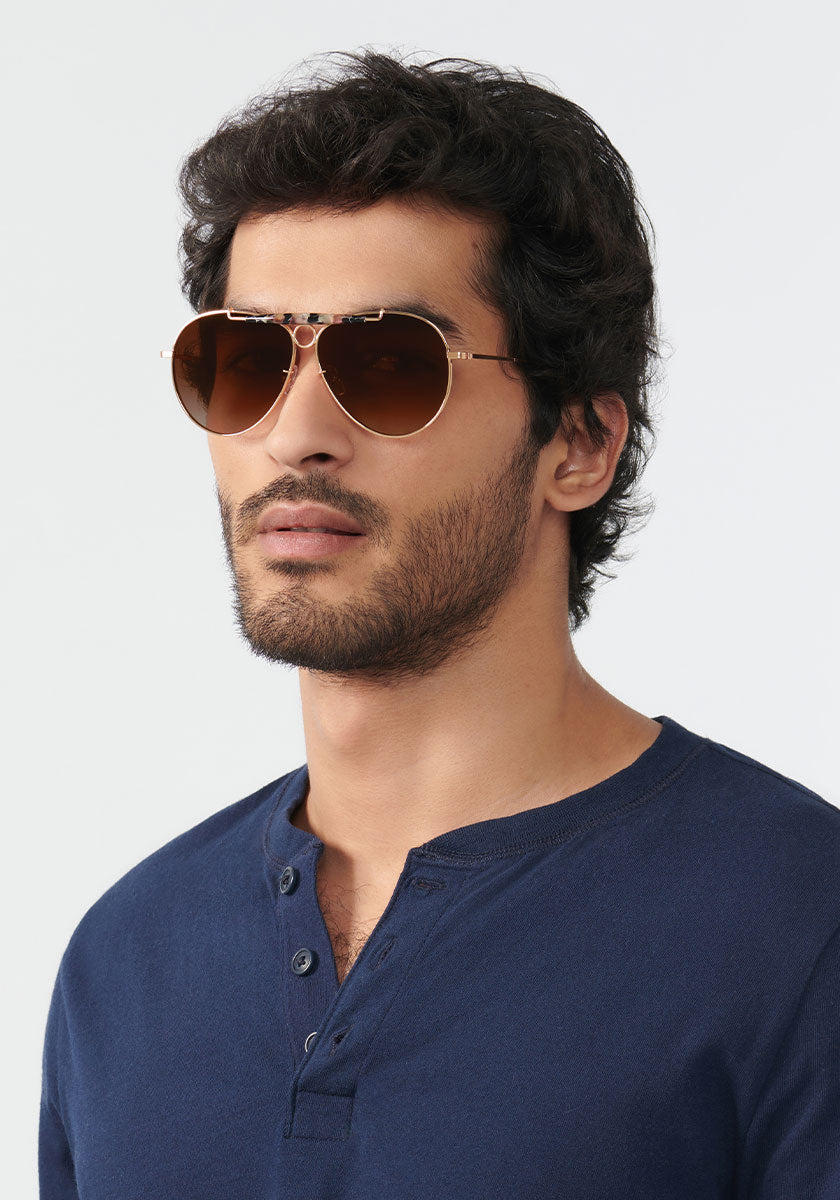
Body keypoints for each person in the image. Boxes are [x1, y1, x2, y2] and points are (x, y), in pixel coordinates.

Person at [39, 51, 840, 1200]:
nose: (295, 433)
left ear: (579, 445)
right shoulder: (126, 961)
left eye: (388, 364)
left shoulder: (796, 925)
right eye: (244, 362)